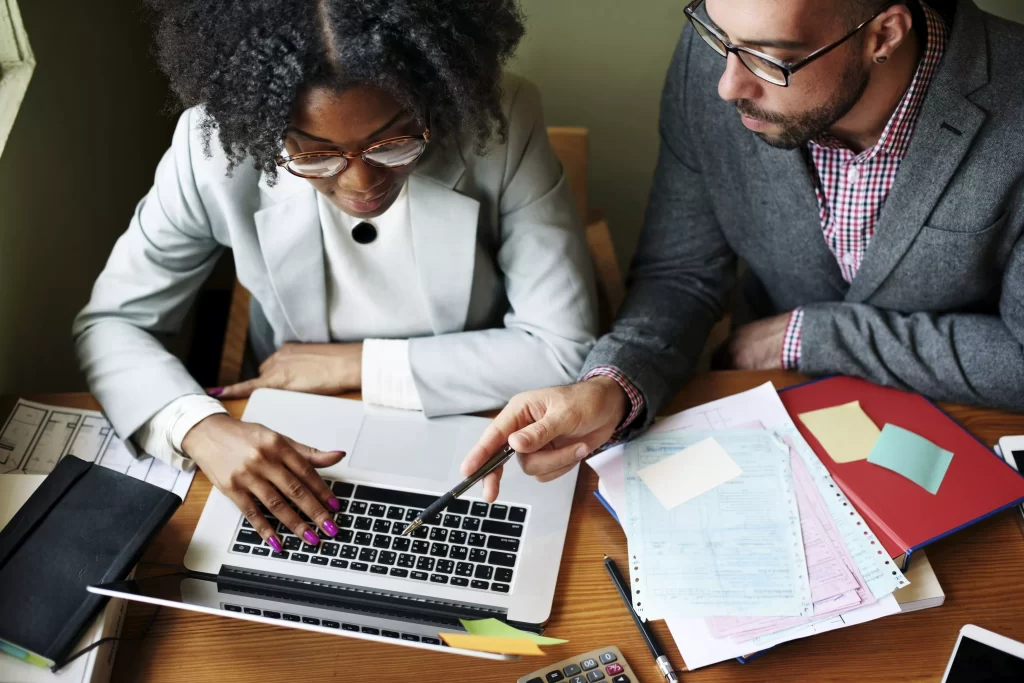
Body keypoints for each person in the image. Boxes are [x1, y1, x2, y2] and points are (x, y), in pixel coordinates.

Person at [73, 0, 597, 552]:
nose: (361, 182)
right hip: (300, 433)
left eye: (394, 141)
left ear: (434, 98)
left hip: (475, 417)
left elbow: (562, 350)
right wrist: (198, 428)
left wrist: (356, 364)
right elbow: (112, 324)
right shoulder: (211, 151)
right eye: (317, 155)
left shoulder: (503, 118)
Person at [462, 0, 1024, 501]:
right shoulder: (717, 54)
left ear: (884, 35)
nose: (726, 85)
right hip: (780, 427)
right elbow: (680, 273)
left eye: (768, 56)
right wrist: (611, 387)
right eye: (717, 33)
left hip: (969, 437)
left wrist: (811, 336)